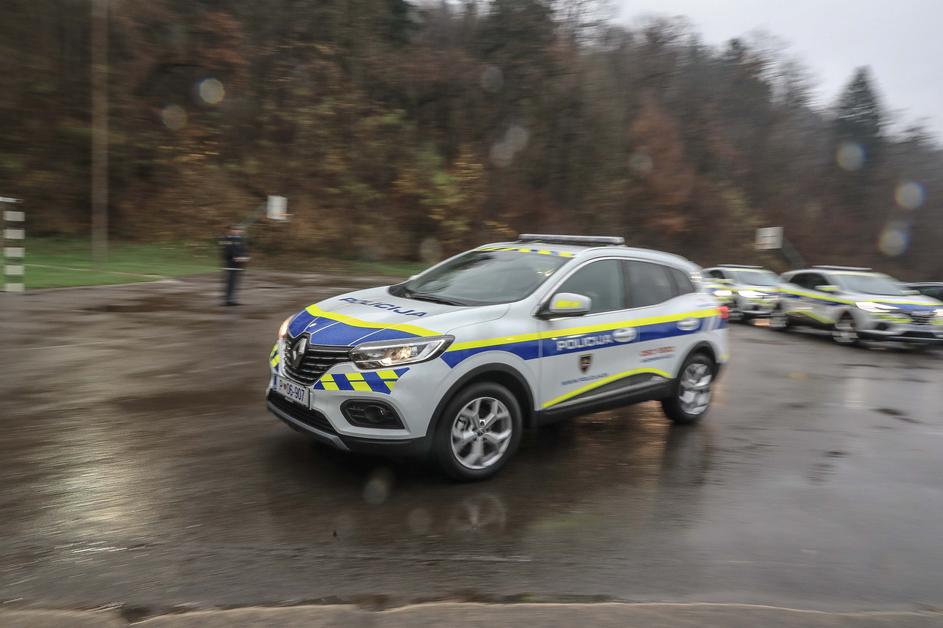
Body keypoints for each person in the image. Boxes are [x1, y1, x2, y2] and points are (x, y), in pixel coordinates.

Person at [220, 225, 249, 306]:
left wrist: (245, 257)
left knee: (236, 283)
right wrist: (235, 257)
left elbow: (244, 250)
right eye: (235, 229)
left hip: (239, 265)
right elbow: (227, 251)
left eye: (238, 230)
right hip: (231, 264)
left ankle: (233, 299)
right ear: (232, 231)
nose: (237, 231)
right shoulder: (228, 239)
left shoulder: (241, 239)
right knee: (230, 283)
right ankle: (228, 300)